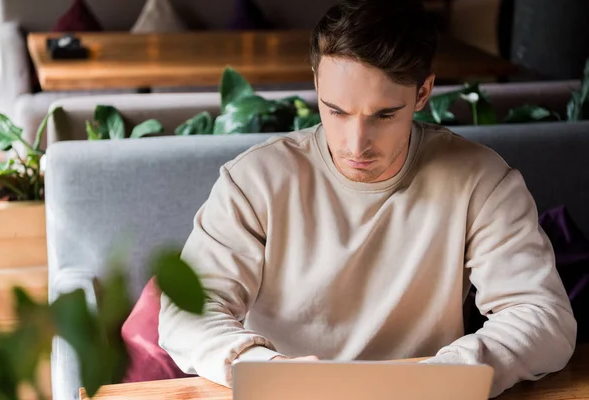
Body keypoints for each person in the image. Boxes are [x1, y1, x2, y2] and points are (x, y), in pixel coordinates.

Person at [158, 0, 577, 397]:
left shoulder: (482, 181)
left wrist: (451, 374)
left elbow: (544, 317)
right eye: (336, 110)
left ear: (423, 92)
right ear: (316, 81)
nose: (356, 144)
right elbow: (185, 313)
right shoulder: (254, 181)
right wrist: (262, 367)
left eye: (384, 115)